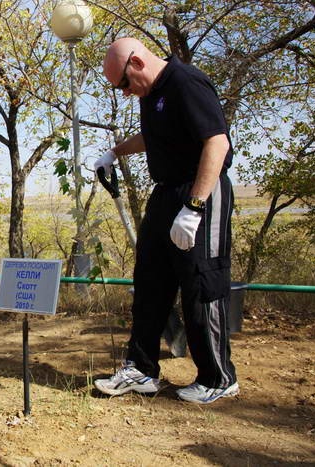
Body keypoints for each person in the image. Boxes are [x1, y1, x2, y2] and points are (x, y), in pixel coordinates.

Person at [93, 38, 238, 404]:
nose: (125, 93)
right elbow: (153, 137)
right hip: (166, 192)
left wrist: (194, 206)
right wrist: (114, 152)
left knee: (201, 281)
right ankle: (141, 369)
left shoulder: (186, 82)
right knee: (150, 280)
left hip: (200, 188)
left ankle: (218, 378)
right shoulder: (150, 95)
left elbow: (216, 144)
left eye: (124, 84)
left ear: (138, 63)